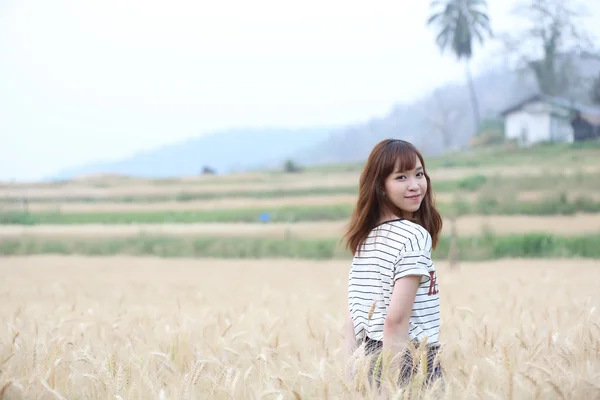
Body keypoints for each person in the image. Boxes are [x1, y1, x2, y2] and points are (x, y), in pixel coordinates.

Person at [342, 139, 444, 393]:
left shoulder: (365, 238)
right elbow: (396, 320)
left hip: (368, 358)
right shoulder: (413, 236)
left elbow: (352, 319)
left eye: (419, 174)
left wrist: (351, 375)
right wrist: (392, 385)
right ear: (381, 187)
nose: (415, 185)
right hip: (410, 360)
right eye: (401, 177)